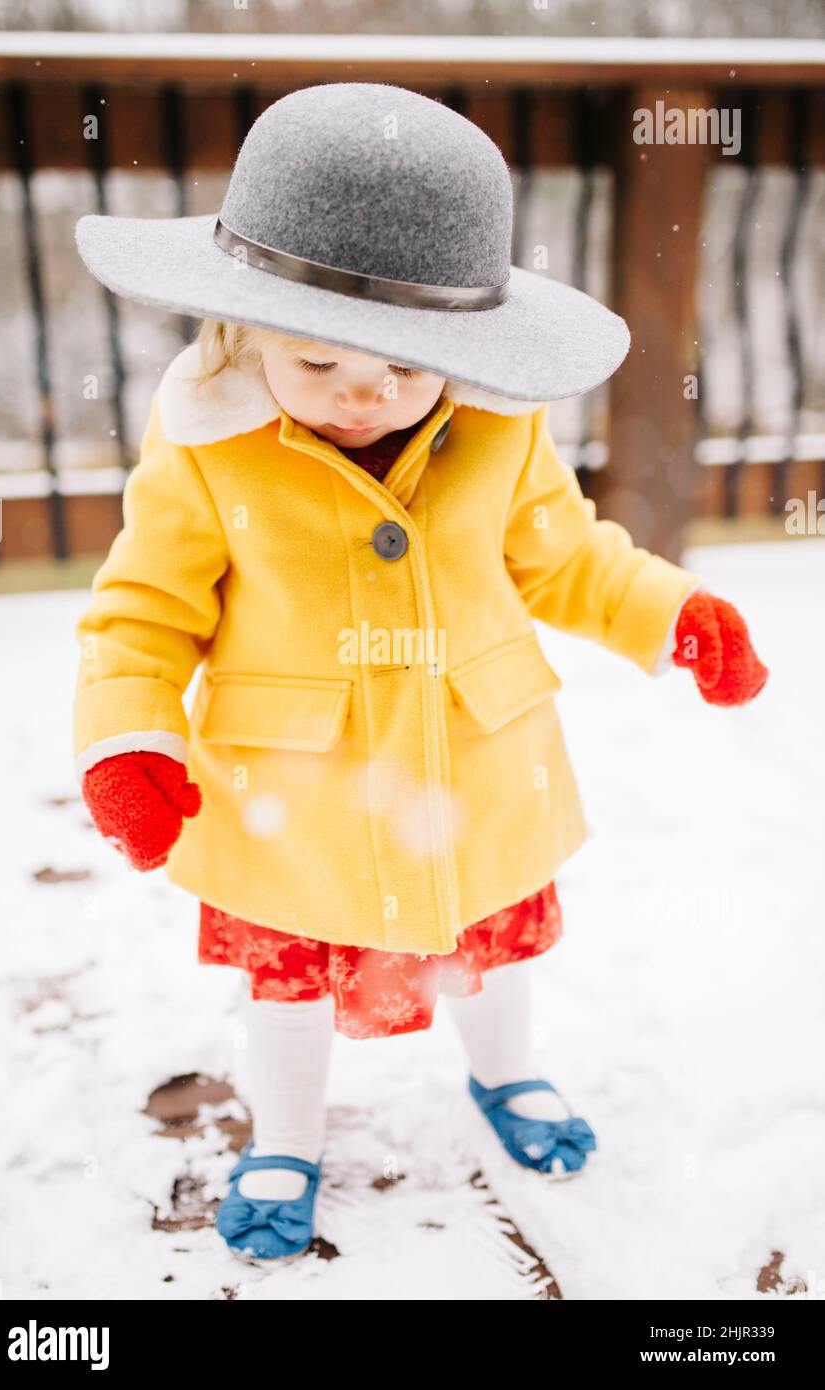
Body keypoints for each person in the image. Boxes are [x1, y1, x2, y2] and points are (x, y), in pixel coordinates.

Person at [72, 83, 768, 1265]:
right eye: (320, 359)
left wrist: (672, 613)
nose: (364, 393)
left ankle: (509, 1075)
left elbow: (567, 561)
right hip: (297, 790)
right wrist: (130, 738)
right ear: (243, 331)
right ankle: (286, 1136)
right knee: (289, 978)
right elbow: (142, 611)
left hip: (476, 764)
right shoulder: (205, 447)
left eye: (403, 365)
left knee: (490, 945)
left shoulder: (501, 432)